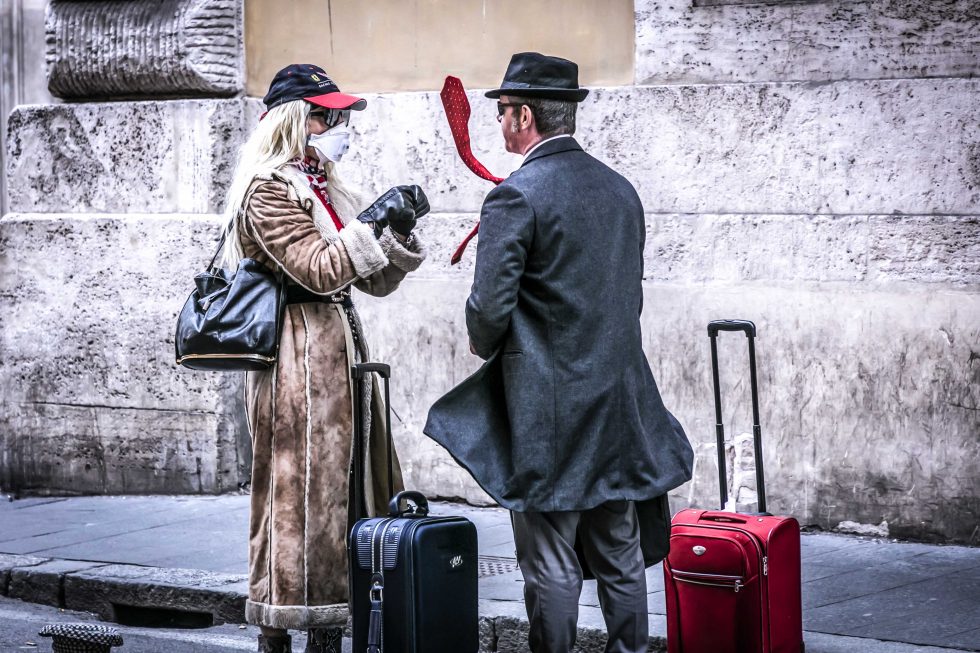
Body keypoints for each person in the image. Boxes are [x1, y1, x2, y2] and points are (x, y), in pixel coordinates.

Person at [424, 52, 694, 653]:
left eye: (501, 111)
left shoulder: (516, 196)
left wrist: (482, 340)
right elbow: (629, 297)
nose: (499, 122)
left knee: (550, 556)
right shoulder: (620, 190)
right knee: (619, 549)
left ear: (523, 116)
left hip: (548, 410)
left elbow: (489, 309)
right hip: (618, 401)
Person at [219, 64, 428, 653]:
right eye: (325, 116)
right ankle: (280, 626)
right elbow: (319, 268)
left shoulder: (326, 185)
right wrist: (371, 222)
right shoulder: (267, 191)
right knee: (297, 495)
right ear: (294, 120)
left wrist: (397, 229)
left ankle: (330, 626)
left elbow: (374, 280)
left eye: (339, 116)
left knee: (346, 490)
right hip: (296, 358)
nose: (338, 126)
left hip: (339, 355)